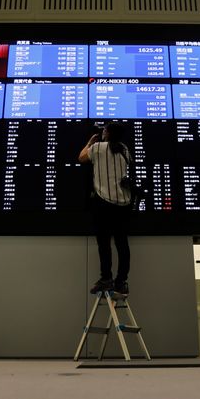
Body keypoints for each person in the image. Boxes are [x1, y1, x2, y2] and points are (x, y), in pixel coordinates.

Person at [78, 122, 132, 295]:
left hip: (104, 202)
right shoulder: (124, 149)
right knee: (122, 244)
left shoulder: (98, 147)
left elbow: (81, 158)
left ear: (107, 133)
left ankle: (106, 279)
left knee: (104, 243)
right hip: (124, 203)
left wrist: (90, 142)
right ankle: (121, 281)